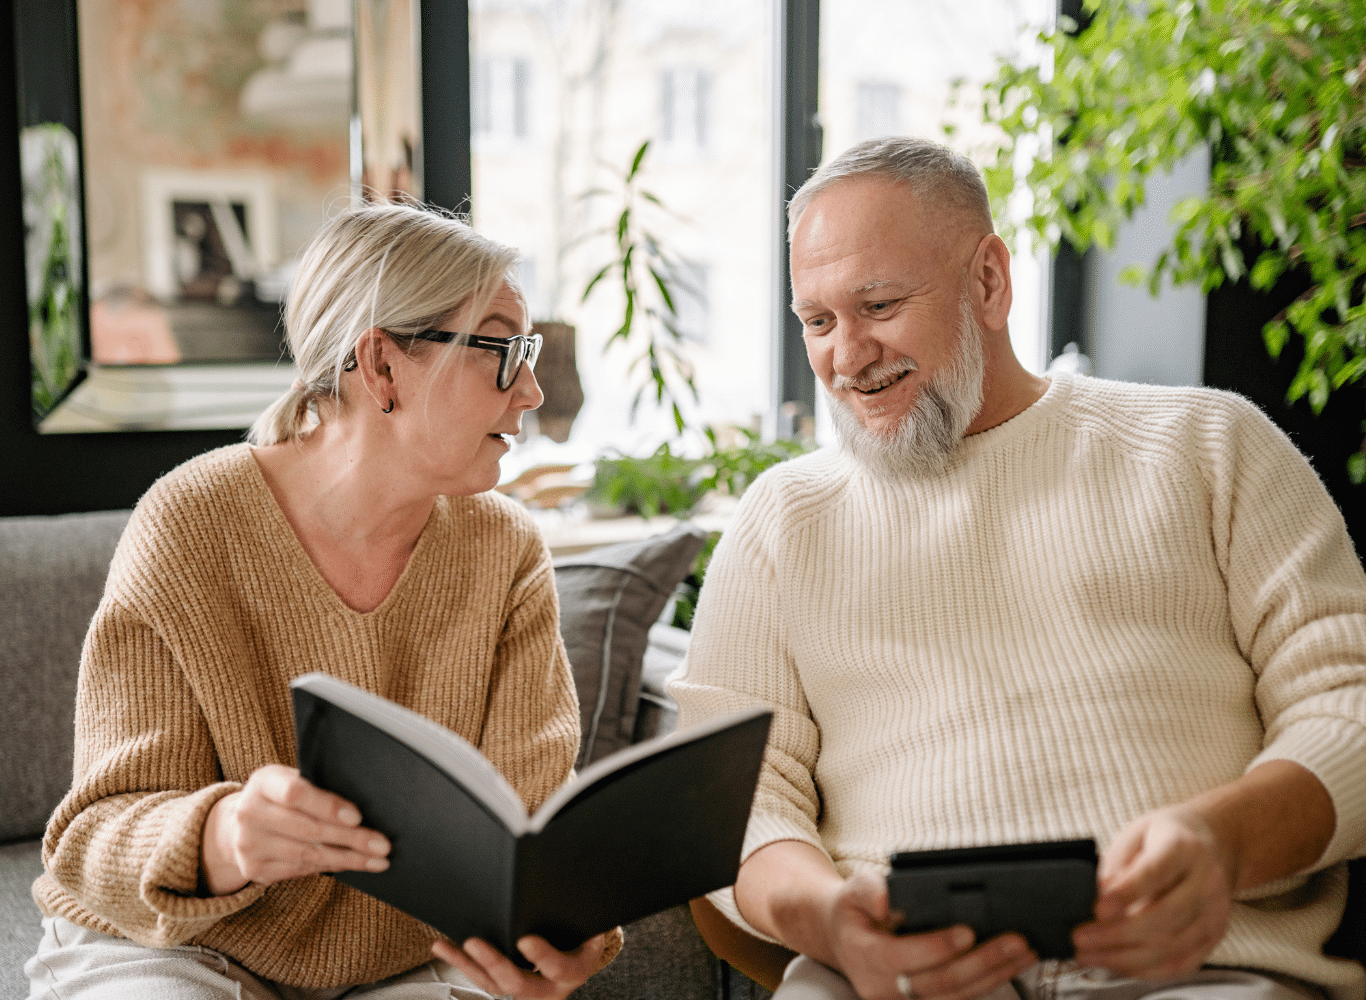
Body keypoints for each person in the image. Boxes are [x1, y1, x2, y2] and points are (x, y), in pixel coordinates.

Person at [668, 136, 1366, 1000]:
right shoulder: (782, 519)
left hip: (1203, 972)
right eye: (817, 321)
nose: (846, 358)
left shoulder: (1209, 444)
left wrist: (1226, 841)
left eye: (879, 305)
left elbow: (1348, 700)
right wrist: (824, 918)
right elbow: (726, 799)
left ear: (989, 281)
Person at [27, 202, 616, 1000]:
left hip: (403, 968)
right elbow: (93, 841)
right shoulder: (192, 522)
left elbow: (528, 835)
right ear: (381, 367)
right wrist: (226, 836)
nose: (534, 391)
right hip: (179, 950)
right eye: (504, 351)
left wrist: (552, 943)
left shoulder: (505, 552)